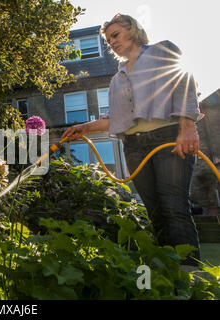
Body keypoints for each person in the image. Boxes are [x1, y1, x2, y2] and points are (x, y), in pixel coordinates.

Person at [61, 14, 203, 268]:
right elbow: (115, 118)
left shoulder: (162, 51)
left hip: (168, 139)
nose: (111, 43)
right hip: (135, 146)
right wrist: (84, 127)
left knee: (174, 206)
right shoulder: (118, 79)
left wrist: (188, 126)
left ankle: (191, 276)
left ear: (133, 29)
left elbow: (184, 82)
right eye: (108, 40)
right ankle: (167, 274)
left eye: (115, 35)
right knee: (155, 212)